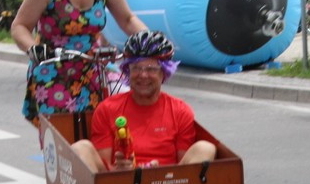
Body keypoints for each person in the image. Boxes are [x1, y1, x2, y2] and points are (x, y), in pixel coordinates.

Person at [70, 31, 216, 173]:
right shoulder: (107, 109)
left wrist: (156, 172)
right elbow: (103, 167)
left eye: (151, 69)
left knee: (205, 148)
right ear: (128, 70)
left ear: (163, 72)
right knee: (81, 147)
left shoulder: (180, 110)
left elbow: (184, 166)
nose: (143, 75)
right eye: (136, 68)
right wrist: (121, 169)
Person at [11, 0, 147, 126]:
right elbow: (20, 26)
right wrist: (33, 48)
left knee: (124, 108)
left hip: (93, 67)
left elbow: (127, 20)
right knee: (63, 135)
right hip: (54, 71)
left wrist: (150, 40)